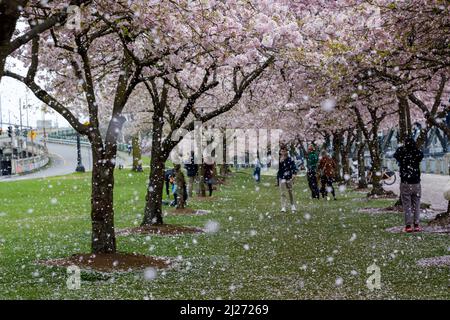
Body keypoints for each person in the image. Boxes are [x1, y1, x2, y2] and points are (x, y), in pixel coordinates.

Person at [393, 136, 424, 233]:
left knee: (407, 205)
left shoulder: (401, 152)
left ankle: (408, 226)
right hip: (416, 182)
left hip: (405, 182)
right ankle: (417, 225)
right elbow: (420, 156)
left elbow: (396, 155)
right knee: (417, 204)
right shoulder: (416, 152)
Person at [277, 146, 298, 213]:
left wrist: (294, 174)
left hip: (289, 177)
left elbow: (294, 167)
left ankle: (292, 205)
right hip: (281, 177)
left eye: (284, 151)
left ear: (286, 152)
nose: (283, 152)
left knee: (290, 191)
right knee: (282, 192)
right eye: (282, 151)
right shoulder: (279, 159)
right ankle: (283, 207)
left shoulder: (290, 159)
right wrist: (280, 162)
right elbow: (276, 169)